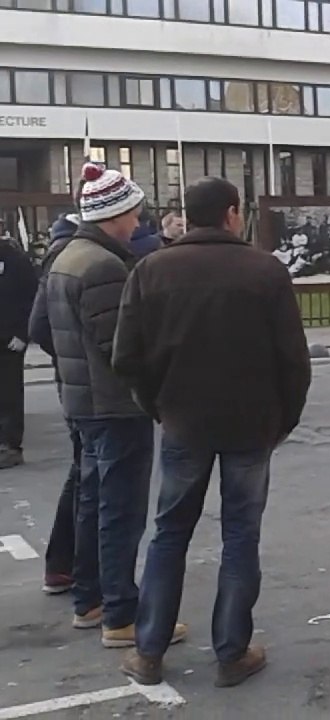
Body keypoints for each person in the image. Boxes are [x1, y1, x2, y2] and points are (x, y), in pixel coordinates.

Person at [114, 177, 311, 688]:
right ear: (230, 213)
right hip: (251, 424)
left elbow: (127, 358)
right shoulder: (264, 271)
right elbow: (293, 359)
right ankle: (232, 651)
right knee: (241, 534)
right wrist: (283, 420)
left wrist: (158, 405)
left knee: (170, 532)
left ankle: (149, 649)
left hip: (182, 420)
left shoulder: (151, 269)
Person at [28, 162, 188, 647]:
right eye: (133, 212)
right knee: (120, 510)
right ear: (114, 214)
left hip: (82, 402)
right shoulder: (103, 266)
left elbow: (43, 331)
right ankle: (120, 614)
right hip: (114, 407)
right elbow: (121, 347)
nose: (138, 221)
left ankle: (90, 600)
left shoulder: (65, 257)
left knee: (91, 501)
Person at [30, 211, 86, 594]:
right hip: (88, 386)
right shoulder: (76, 259)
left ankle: (63, 564)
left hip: (73, 381)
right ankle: (72, 566)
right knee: (89, 474)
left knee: (84, 470)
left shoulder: (58, 258)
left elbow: (38, 327)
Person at [0, 228, 38, 469]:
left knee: (9, 393)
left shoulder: (15, 260)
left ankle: (10, 445)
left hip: (9, 341)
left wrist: (23, 333)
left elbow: (33, 297)